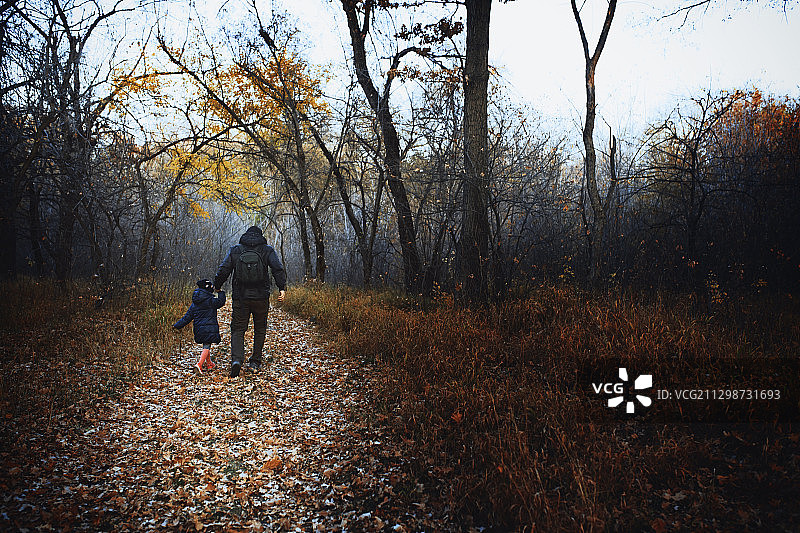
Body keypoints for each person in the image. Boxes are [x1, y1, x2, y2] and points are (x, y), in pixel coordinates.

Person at [214, 225, 286, 377]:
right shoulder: (267, 250)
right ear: (260, 236)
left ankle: (237, 361)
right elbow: (277, 269)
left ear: (245, 235)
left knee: (238, 329)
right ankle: (255, 362)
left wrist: (217, 286)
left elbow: (224, 269)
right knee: (260, 329)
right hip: (261, 297)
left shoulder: (236, 250)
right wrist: (282, 288)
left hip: (241, 297)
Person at [173, 279, 226, 374]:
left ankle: (209, 363)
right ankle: (199, 364)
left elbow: (187, 317)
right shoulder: (210, 301)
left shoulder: (195, 303)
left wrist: (177, 326)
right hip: (209, 328)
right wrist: (221, 292)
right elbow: (221, 302)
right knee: (207, 346)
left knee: (206, 345)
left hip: (199, 329)